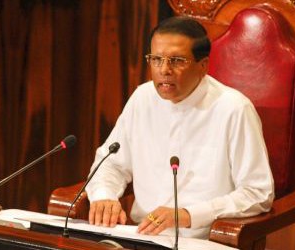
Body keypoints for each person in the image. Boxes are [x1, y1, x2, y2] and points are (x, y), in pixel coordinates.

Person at [85, 16, 274, 239]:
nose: (164, 70)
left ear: (203, 65)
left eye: (177, 61)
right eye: (156, 59)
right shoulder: (142, 98)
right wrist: (104, 196)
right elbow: (111, 164)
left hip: (206, 239)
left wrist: (188, 215)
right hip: (141, 236)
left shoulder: (234, 109)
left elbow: (258, 193)